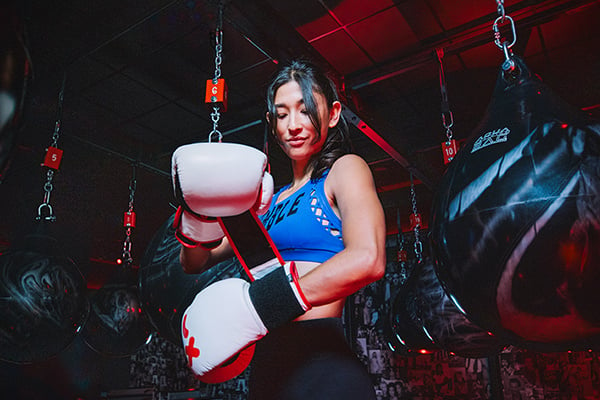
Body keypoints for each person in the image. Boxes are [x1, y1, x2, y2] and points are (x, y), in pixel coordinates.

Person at [177, 58, 386, 399]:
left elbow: (369, 257)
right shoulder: (266, 201)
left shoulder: (344, 171)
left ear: (332, 114)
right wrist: (195, 214)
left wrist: (265, 303)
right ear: (272, 123)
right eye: (282, 113)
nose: (294, 125)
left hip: (323, 363)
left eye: (305, 110)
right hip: (269, 363)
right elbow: (195, 262)